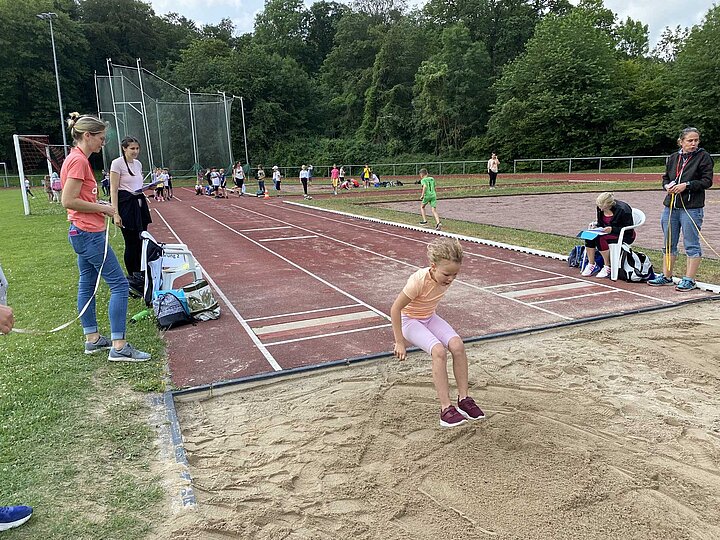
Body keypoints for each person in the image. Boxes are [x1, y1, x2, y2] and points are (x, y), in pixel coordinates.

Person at [61, 113, 150, 362]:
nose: (103, 142)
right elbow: (67, 200)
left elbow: (78, 199)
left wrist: (96, 203)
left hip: (81, 231)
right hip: (88, 234)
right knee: (120, 286)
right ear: (87, 136)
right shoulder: (78, 161)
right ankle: (119, 346)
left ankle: (93, 339)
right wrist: (105, 208)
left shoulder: (76, 159)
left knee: (87, 283)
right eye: (101, 138)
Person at [391, 238, 485, 428]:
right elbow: (395, 309)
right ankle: (445, 409)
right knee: (439, 352)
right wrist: (399, 341)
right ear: (433, 267)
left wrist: (448, 275)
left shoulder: (446, 275)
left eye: (455, 275)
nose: (450, 279)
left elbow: (433, 298)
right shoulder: (418, 280)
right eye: (447, 274)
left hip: (428, 316)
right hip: (409, 320)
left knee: (457, 345)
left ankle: (464, 399)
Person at [648, 127, 714, 291]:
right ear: (681, 142)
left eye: (696, 140)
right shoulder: (673, 157)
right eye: (690, 140)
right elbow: (666, 178)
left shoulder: (703, 157)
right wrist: (666, 186)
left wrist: (688, 185)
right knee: (668, 243)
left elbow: (707, 181)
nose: (693, 143)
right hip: (671, 206)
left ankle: (689, 279)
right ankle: (666, 276)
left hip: (691, 207)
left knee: (691, 243)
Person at [110, 136, 152, 289]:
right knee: (131, 242)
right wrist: (115, 213)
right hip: (126, 205)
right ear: (124, 148)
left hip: (139, 204)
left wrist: (148, 187)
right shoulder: (117, 163)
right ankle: (132, 277)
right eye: (132, 148)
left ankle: (141, 274)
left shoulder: (138, 164)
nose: (135, 151)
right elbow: (114, 190)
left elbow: (136, 184)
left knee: (142, 240)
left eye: (137, 148)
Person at [580, 192, 636, 278]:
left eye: (603, 207)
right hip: (606, 232)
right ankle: (592, 264)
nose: (601, 210)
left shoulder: (624, 209)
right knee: (589, 236)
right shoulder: (600, 208)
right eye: (599, 207)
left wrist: (612, 229)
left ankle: (607, 266)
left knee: (600, 239)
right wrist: (597, 226)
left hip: (624, 235)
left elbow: (629, 229)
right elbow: (601, 222)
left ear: (609, 205)